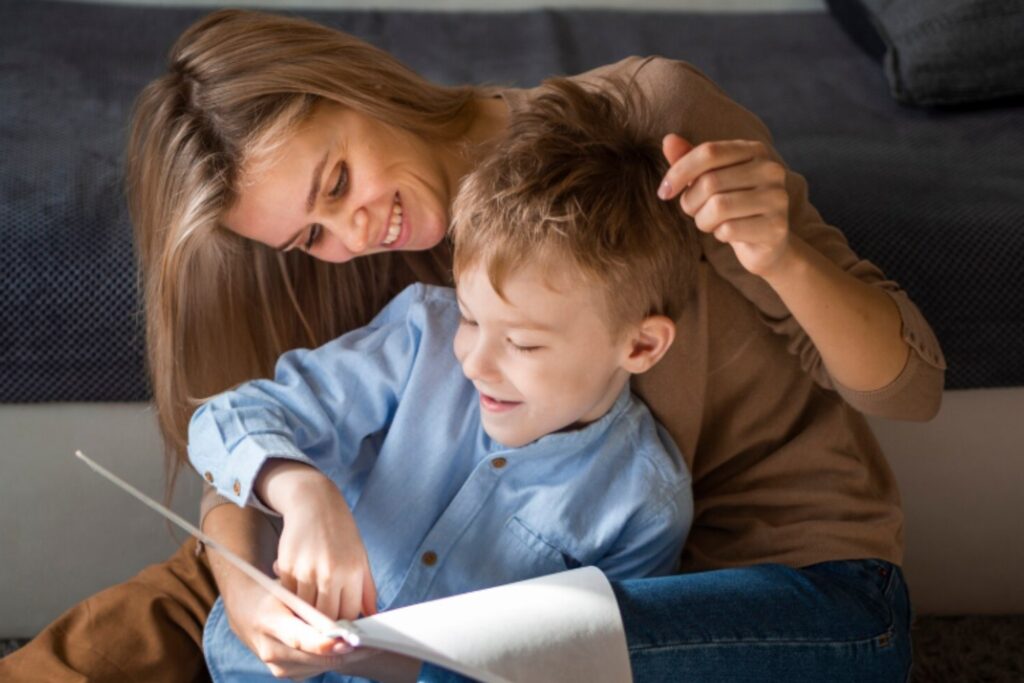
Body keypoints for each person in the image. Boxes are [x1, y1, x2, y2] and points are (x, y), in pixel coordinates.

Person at [0, 7, 944, 683]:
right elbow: (264, 442)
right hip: (514, 592)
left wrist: (777, 253)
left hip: (796, 584)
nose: (356, 229)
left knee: (469, 659)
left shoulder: (638, 128)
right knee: (233, 597)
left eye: (337, 180)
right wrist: (253, 577)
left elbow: (912, 389)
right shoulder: (386, 272)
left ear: (357, 86)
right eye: (309, 234)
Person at [193, 78, 694, 681]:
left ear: (640, 345)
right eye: (471, 317)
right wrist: (302, 489)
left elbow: (600, 661)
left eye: (523, 343)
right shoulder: (421, 337)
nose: (476, 363)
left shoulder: (643, 505)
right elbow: (223, 420)